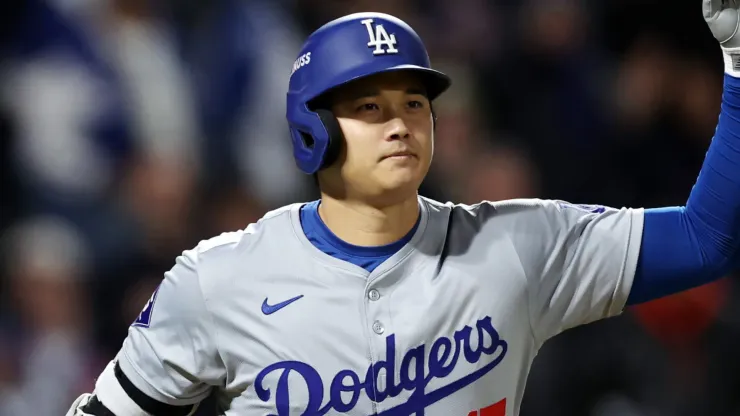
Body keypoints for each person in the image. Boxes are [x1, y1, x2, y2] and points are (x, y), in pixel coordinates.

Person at [67, 3, 740, 415]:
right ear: (313, 131)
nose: (400, 124)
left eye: (414, 103)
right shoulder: (218, 281)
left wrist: (737, 64)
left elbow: (708, 238)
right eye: (370, 107)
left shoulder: (516, 245)